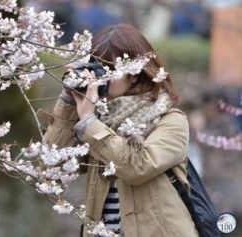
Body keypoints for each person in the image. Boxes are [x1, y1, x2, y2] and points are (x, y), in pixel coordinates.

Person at [43, 24, 199, 237]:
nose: (103, 77)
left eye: (111, 69)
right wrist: (68, 104)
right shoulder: (97, 122)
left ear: (134, 74)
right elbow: (53, 167)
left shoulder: (171, 121)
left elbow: (139, 167)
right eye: (97, 67)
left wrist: (90, 122)